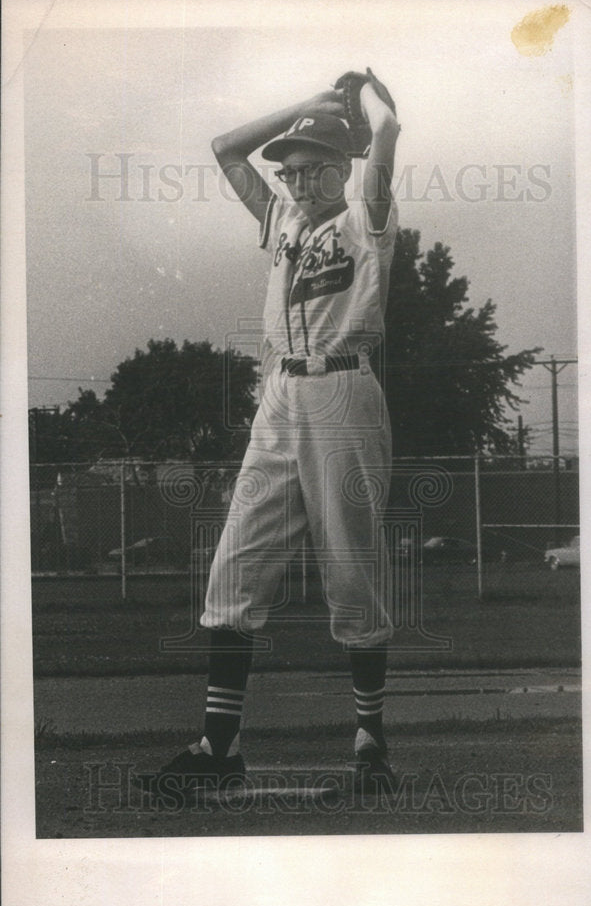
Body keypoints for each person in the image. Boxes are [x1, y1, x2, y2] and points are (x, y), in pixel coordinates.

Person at [141, 75, 401, 798]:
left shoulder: (364, 220)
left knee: (351, 570)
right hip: (280, 396)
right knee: (234, 567)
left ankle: (370, 741)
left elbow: (385, 136)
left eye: (310, 162)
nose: (292, 175)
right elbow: (226, 150)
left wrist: (370, 102)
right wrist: (305, 104)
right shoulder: (282, 222)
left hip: (344, 388)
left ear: (341, 166)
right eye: (286, 167)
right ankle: (217, 748)